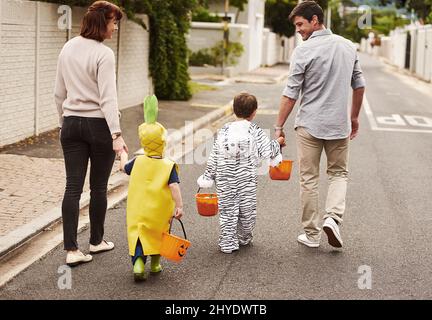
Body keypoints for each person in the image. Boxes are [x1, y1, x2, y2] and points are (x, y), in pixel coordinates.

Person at [274, 1, 366, 248]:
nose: (298, 30)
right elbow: (359, 85)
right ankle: (333, 217)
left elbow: (291, 93)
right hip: (338, 125)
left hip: (309, 126)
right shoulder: (348, 46)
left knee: (309, 179)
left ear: (315, 20)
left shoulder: (303, 51)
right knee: (338, 173)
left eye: (301, 24)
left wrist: (278, 126)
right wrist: (354, 117)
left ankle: (312, 235)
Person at [54, 1, 128, 266]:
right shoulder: (103, 54)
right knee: (98, 187)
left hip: (71, 123)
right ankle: (96, 242)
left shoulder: (68, 47)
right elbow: (108, 99)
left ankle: (72, 250)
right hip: (98, 126)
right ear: (102, 22)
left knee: (72, 187)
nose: (115, 27)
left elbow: (58, 93)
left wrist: (64, 123)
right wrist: (116, 134)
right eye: (113, 21)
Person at [198, 93, 285, 254]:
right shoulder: (255, 131)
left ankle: (227, 242)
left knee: (227, 212)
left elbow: (214, 155)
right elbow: (267, 151)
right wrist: (278, 143)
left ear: (234, 111)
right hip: (246, 180)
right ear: (254, 112)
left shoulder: (224, 130)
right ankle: (244, 237)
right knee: (247, 211)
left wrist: (208, 175)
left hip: (224, 179)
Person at [120, 95, 184, 281]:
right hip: (160, 211)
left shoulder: (137, 162)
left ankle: (139, 264)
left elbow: (124, 168)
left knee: (139, 235)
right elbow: (174, 187)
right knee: (159, 235)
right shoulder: (168, 165)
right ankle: (155, 263)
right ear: (163, 142)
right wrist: (179, 206)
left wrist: (123, 154)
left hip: (138, 210)